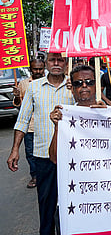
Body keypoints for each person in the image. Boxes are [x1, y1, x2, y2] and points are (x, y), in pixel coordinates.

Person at [7, 53, 74, 235]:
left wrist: (76, 90)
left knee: (71, 207)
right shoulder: (34, 87)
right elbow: (23, 119)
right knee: (46, 206)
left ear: (66, 64)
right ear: (46, 63)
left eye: (60, 60)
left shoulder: (75, 85)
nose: (56, 64)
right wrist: (15, 150)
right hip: (44, 156)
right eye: (52, 60)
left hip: (71, 158)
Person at [49, 65, 106, 164]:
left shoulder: (110, 113)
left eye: (89, 82)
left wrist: (107, 117)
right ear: (72, 89)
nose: (84, 85)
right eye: (78, 83)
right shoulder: (64, 118)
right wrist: (57, 127)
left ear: (96, 86)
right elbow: (55, 159)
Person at [12, 59, 46, 188]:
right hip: (30, 127)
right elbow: (18, 104)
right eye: (35, 69)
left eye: (40, 69)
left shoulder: (50, 83)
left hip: (46, 125)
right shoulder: (24, 84)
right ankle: (35, 176)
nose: (38, 71)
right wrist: (16, 95)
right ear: (31, 69)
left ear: (44, 68)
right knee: (30, 153)